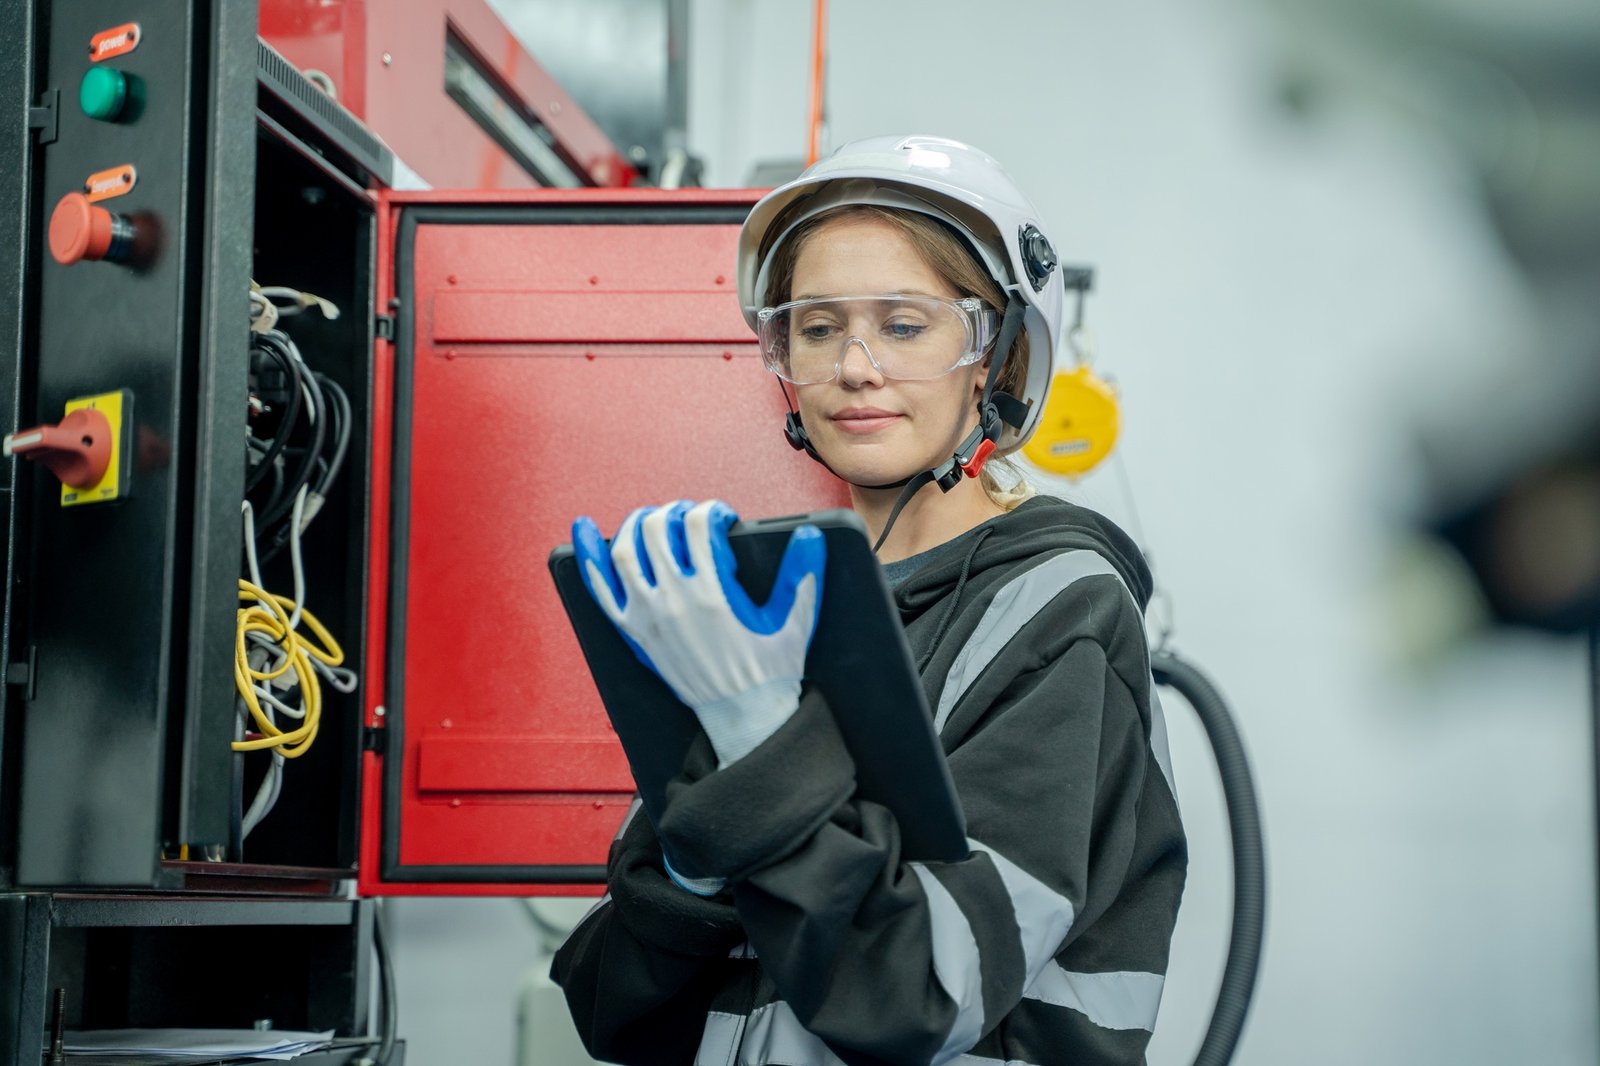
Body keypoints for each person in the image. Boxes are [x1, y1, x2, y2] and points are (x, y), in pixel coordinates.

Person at [552, 134, 1187, 1066]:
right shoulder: (778, 616)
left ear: (995, 359)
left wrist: (762, 754)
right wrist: (694, 854)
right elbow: (612, 1011)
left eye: (904, 324)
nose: (854, 367)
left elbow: (917, 995)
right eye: (816, 327)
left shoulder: (1061, 614)